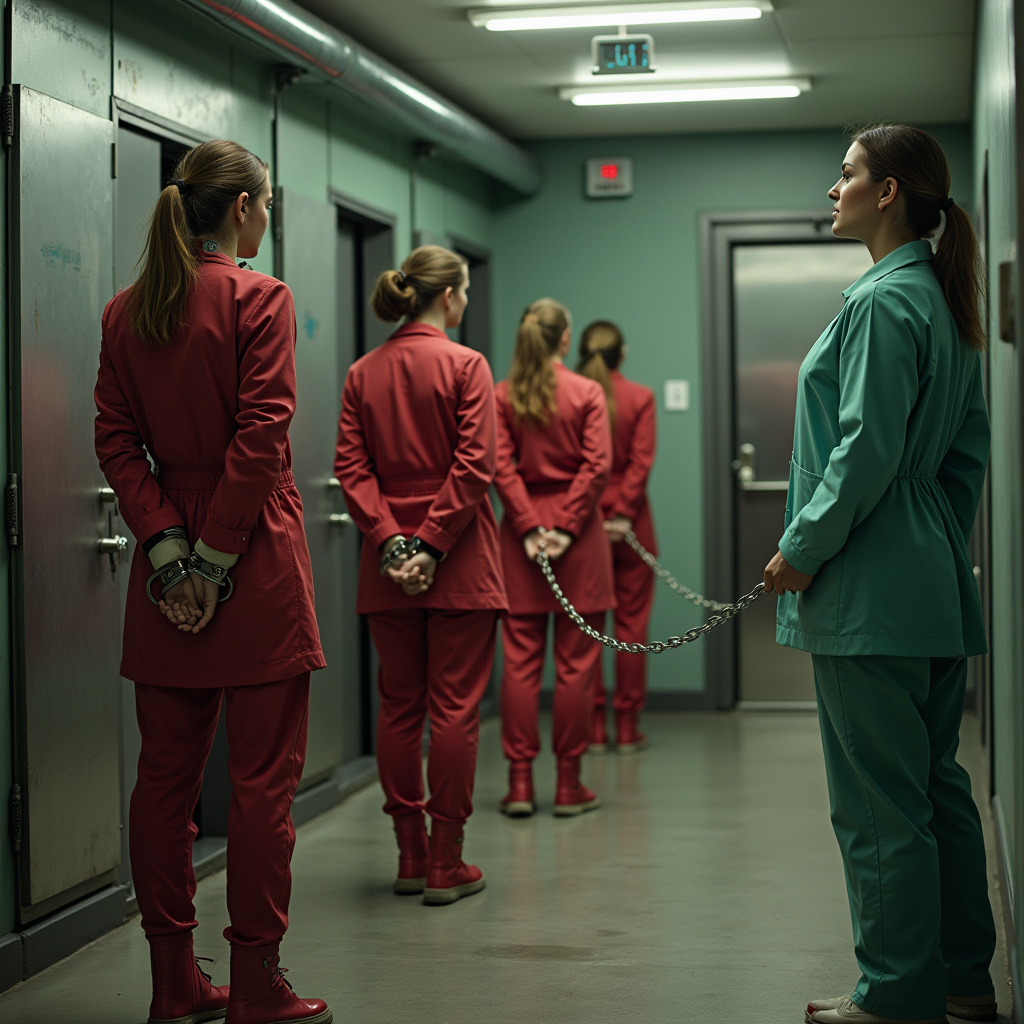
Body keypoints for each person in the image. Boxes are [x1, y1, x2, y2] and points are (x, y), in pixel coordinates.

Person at [763, 125, 996, 1024]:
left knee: (876, 804)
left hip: (865, 586)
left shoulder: (880, 302)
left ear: (890, 192)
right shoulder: (942, 300)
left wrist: (805, 546)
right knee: (937, 789)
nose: (835, 189)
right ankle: (964, 979)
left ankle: (898, 994)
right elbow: (961, 460)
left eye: (849, 174)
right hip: (929, 577)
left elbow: (863, 450)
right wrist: (925, 541)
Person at [94, 140, 331, 1024]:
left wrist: (166, 555)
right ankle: (258, 987)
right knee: (264, 783)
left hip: (166, 578)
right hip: (253, 556)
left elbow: (114, 441)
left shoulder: (127, 311)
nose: (267, 218)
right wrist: (217, 562)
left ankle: (172, 985)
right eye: (266, 204)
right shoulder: (260, 299)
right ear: (241, 208)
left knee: (164, 781)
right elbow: (264, 434)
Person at [335, 245, 506, 906]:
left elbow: (352, 472)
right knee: (455, 709)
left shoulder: (362, 373)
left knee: (399, 706)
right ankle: (445, 861)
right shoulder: (467, 366)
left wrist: (390, 542)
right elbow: (473, 467)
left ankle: (408, 856)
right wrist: (432, 546)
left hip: (386, 566)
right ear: (451, 296)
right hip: (459, 557)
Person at [495, 298, 614, 817]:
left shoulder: (502, 394)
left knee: (520, 666)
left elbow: (500, 467)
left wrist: (527, 526)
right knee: (576, 667)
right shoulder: (587, 391)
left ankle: (520, 785)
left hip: (520, 541)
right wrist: (564, 527)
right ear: (565, 339)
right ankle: (569, 785)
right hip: (579, 538)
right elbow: (597, 465)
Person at [576, 321, 657, 754]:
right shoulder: (640, 396)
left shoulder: (569, 394)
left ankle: (593, 728)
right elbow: (640, 463)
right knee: (631, 627)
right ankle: (626, 727)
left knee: (588, 631)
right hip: (632, 527)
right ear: (621, 354)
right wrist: (623, 511)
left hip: (582, 524)